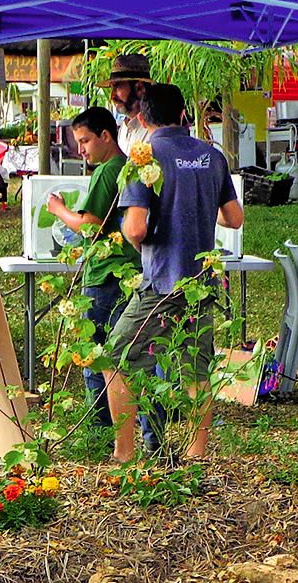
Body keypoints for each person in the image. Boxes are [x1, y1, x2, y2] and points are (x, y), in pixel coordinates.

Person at [107, 83, 244, 463]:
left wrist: (144, 244)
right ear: (184, 115)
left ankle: (125, 453)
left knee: (117, 359)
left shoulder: (145, 157)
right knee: (196, 370)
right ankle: (198, 453)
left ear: (141, 119)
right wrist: (196, 206)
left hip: (160, 280)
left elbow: (134, 228)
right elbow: (234, 218)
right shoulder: (212, 156)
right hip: (200, 282)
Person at [44, 107, 138, 427]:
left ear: (105, 136)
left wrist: (59, 209)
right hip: (129, 270)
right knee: (123, 353)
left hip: (105, 272)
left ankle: (99, 425)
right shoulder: (129, 168)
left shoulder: (107, 171)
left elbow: (90, 226)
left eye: (85, 141)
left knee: (95, 352)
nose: (81, 149)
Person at [103, 53, 152, 154]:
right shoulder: (123, 128)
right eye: (112, 88)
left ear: (139, 88)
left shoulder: (153, 129)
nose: (112, 96)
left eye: (118, 87)